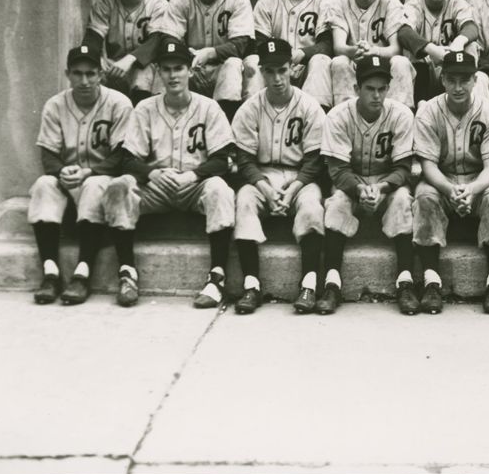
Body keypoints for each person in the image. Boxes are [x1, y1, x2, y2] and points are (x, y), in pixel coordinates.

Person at [103, 39, 237, 309]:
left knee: (220, 189)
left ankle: (217, 277)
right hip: (157, 187)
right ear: (159, 72)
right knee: (119, 186)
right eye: (166, 69)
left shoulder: (208, 107)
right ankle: (127, 272)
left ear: (190, 71)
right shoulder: (145, 108)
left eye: (179, 68)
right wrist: (150, 174)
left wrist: (194, 175)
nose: (173, 75)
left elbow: (223, 159)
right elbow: (128, 159)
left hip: (193, 185)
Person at [28, 44, 134, 306]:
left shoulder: (119, 103)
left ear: (101, 74)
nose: (84, 81)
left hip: (101, 180)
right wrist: (60, 170)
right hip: (70, 179)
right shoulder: (55, 105)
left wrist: (91, 171)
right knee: (43, 184)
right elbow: (48, 154)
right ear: (68, 74)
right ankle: (51, 273)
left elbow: (123, 156)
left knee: (95, 184)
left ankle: (82, 273)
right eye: (78, 73)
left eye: (91, 73)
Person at [231, 38, 327, 315]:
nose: (277, 78)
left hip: (301, 176)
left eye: (282, 70)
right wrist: (267, 189)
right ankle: (251, 284)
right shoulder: (250, 107)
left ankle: (309, 283)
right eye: (270, 71)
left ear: (293, 70)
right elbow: (244, 160)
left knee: (311, 207)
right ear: (261, 72)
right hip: (262, 175)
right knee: (245, 200)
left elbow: (315, 160)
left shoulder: (309, 106)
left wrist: (293, 189)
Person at [412, 51, 489, 315]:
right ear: (442, 79)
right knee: (424, 195)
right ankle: (432, 280)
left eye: (464, 80)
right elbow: (428, 166)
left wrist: (472, 189)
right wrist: (449, 189)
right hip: (442, 179)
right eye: (452, 79)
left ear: (475, 80)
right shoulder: (429, 112)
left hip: (478, 180)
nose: (458, 87)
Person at [320, 55, 417, 315]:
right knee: (337, 203)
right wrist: (359, 190)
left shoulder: (400, 114)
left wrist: (383, 187)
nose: (376, 95)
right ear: (356, 89)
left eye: (382, 89)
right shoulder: (338, 115)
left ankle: (405, 281)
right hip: (352, 181)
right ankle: (332, 282)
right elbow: (337, 170)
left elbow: (404, 169)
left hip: (386, 182)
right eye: (370, 89)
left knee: (402, 200)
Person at [149, 0, 255, 121]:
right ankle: (160, 122)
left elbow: (241, 45)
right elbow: (168, 38)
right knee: (166, 66)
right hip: (192, 65)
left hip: (222, 67)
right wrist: (182, 54)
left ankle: (225, 128)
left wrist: (210, 53)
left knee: (233, 64)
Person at [246, 0, 334, 109]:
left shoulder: (325, 3)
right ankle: (254, 112)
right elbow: (258, 44)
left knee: (321, 60)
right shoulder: (266, 3)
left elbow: (327, 45)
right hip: (275, 69)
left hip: (307, 69)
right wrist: (281, 61)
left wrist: (301, 53)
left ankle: (315, 118)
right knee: (252, 60)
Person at [323, 0, 416, 109]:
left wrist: (375, 51)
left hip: (382, 64)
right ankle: (345, 115)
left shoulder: (390, 1)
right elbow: (338, 47)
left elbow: (396, 48)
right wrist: (353, 50)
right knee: (339, 62)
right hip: (355, 62)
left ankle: (402, 114)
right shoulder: (339, 2)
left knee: (401, 62)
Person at [397, 0, 489, 106]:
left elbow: (471, 27)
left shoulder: (456, 3)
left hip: (452, 71)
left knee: (470, 45)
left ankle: (466, 106)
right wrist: (431, 49)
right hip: (422, 73)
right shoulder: (414, 5)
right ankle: (420, 104)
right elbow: (404, 32)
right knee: (408, 49)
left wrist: (459, 42)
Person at [82, 0, 169, 106]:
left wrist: (129, 60)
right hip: (115, 67)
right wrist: (98, 59)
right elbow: (92, 39)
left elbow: (156, 42)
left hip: (150, 70)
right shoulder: (104, 5)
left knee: (143, 74)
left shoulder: (158, 4)